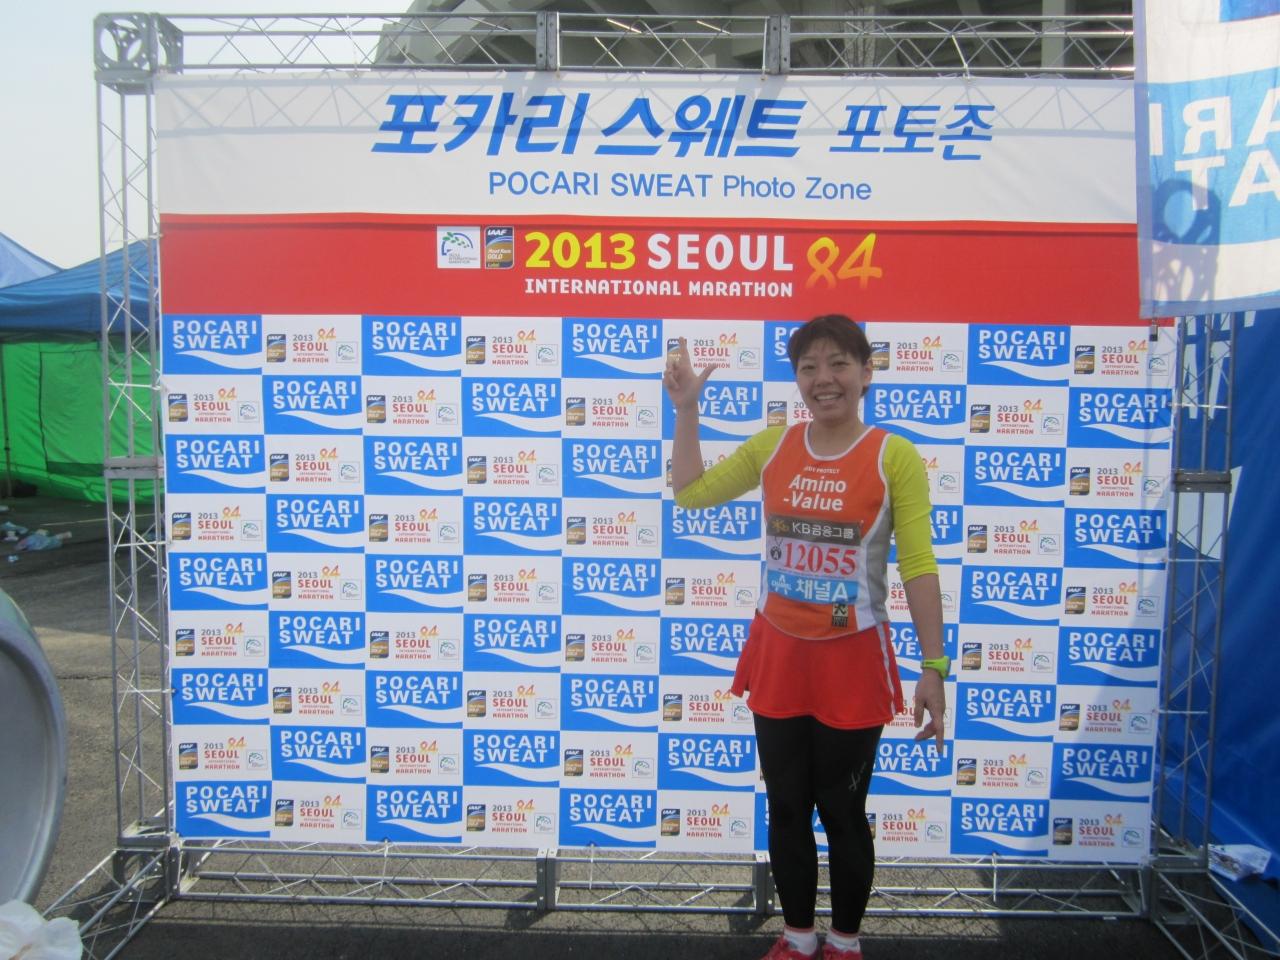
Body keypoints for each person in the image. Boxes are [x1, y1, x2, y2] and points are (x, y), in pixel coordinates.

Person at [663, 315, 947, 960]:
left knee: (842, 811)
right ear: (797, 379)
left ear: (867, 373)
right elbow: (692, 494)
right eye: (809, 367)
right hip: (780, 656)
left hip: (854, 660)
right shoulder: (774, 446)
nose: (825, 379)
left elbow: (918, 564)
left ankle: (844, 942)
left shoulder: (894, 456)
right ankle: (796, 936)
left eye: (839, 363)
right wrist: (686, 411)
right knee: (787, 807)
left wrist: (935, 665)